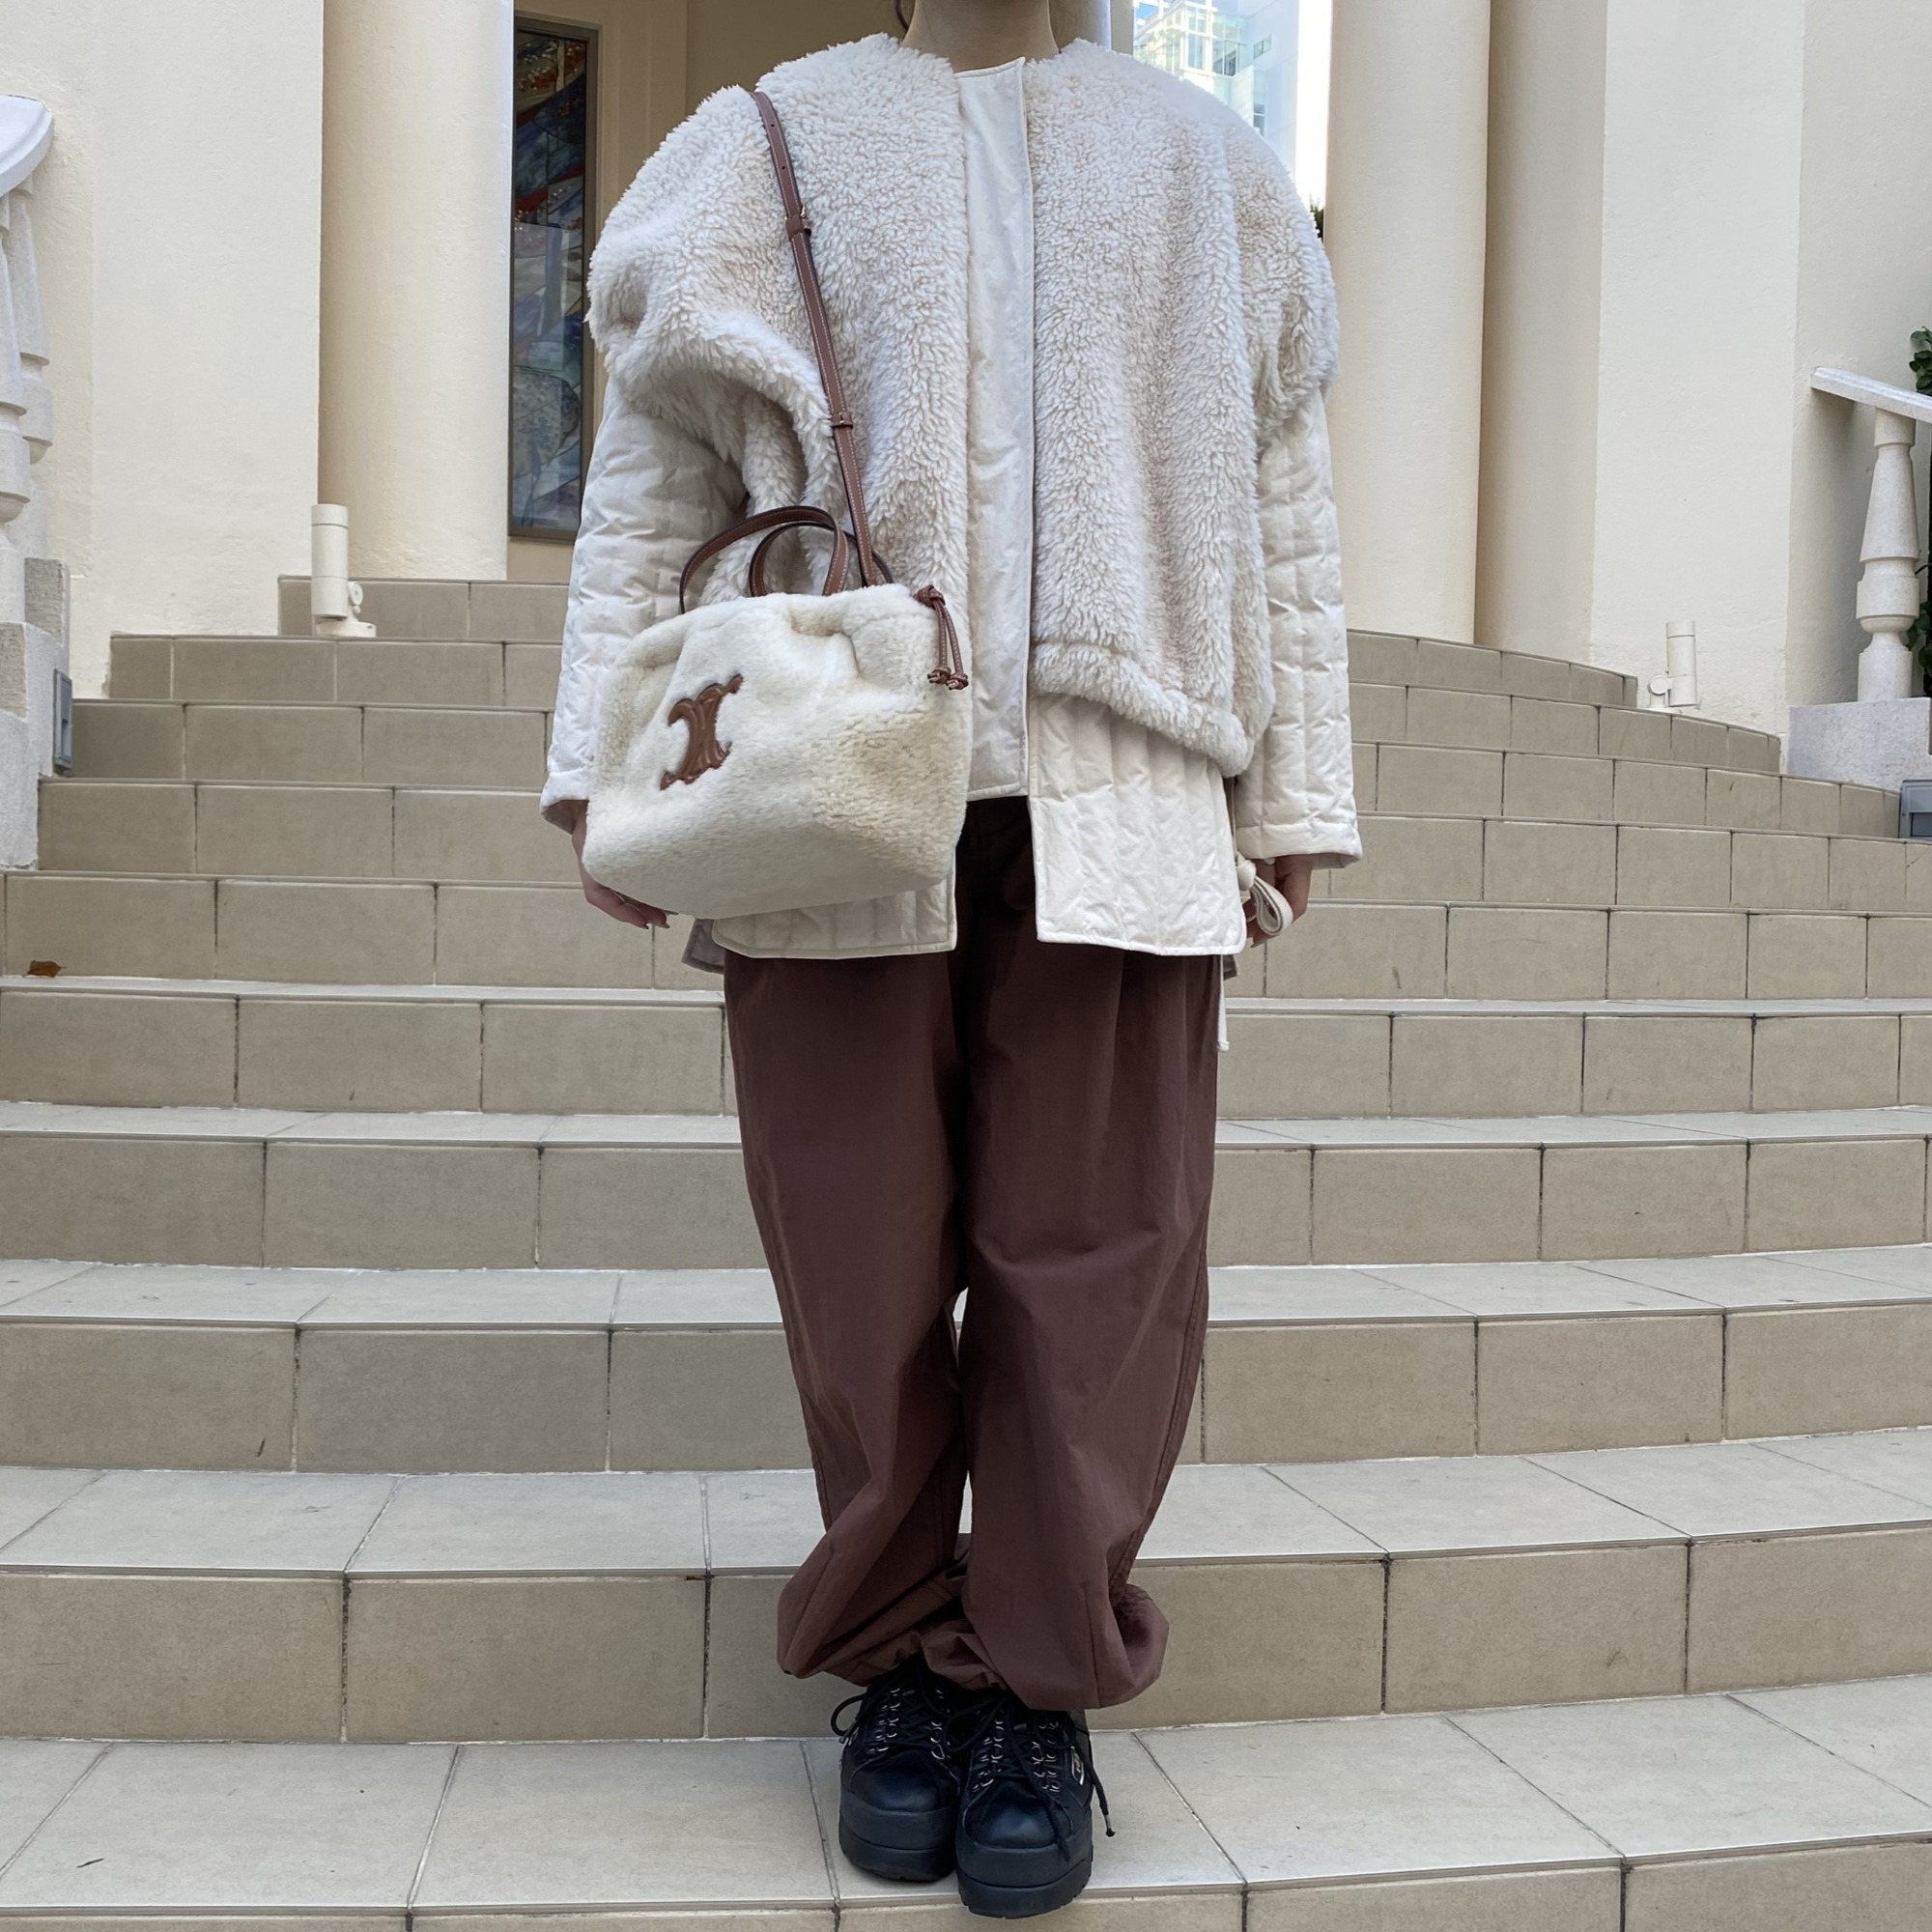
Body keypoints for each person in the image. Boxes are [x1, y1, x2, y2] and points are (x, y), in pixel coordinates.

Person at [543, 0, 1357, 1916]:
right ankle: (903, 1651)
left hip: (1122, 780)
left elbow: (1285, 503)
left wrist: (1296, 789)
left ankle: (1035, 1678)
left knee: (1102, 1258)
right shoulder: (755, 140)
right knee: (857, 1253)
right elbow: (654, 476)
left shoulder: (1212, 168)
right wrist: (608, 770)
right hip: (827, 785)